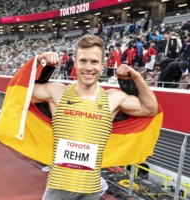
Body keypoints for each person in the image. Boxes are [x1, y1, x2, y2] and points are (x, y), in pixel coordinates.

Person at [32, 34, 158, 200]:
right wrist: (39, 61)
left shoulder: (113, 98)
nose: (88, 67)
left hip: (90, 190)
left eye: (94, 62)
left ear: (102, 65)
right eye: (83, 61)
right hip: (58, 188)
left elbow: (150, 109)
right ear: (75, 62)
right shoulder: (57, 92)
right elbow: (22, 94)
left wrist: (137, 77)